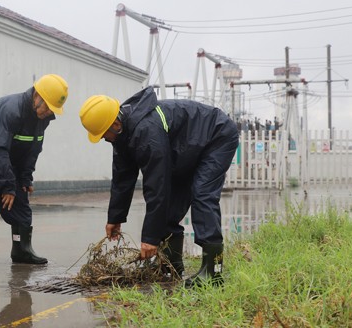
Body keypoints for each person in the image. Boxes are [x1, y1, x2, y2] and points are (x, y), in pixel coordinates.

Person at [78, 87, 239, 287]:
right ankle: (171, 266)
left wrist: (150, 238)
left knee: (202, 194)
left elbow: (157, 186)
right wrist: (115, 218)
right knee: (169, 210)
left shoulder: (146, 131)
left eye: (103, 134)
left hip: (216, 136)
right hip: (187, 150)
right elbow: (122, 177)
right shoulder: (123, 134)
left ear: (115, 124)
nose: (104, 139)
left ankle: (213, 272)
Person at [0, 74, 68, 269]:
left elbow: (33, 148)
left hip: (4, 156)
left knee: (20, 197)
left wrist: (25, 177)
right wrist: (7, 186)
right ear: (37, 96)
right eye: (47, 107)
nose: (48, 112)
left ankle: (21, 249)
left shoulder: (41, 117)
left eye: (53, 109)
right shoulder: (10, 110)